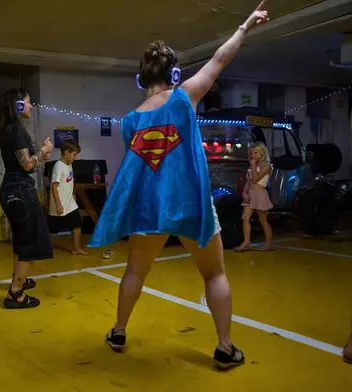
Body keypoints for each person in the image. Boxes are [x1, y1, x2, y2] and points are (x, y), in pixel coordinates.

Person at [87, 1, 269, 370]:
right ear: (174, 75)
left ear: (140, 79)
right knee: (214, 273)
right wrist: (245, 27)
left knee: (135, 271)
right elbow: (219, 60)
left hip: (149, 210)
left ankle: (119, 330)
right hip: (191, 206)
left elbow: (142, 166)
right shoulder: (185, 97)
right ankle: (224, 346)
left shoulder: (128, 122)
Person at [0, 88, 54, 309]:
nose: (31, 107)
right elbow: (27, 164)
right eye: (28, 103)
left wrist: (40, 155)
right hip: (20, 190)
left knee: (21, 240)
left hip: (12, 188)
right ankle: (16, 293)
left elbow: (27, 161)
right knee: (31, 242)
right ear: (18, 105)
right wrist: (42, 151)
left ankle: (18, 280)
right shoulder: (16, 130)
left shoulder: (7, 129)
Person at [48, 139, 87, 255]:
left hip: (69, 202)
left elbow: (69, 181)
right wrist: (58, 204)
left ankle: (75, 249)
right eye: (74, 154)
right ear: (66, 153)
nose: (75, 157)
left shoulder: (69, 165)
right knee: (51, 228)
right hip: (59, 202)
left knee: (78, 222)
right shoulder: (58, 167)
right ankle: (43, 247)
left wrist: (72, 193)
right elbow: (54, 187)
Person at [234, 142, 274, 252]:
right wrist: (244, 193)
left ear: (262, 154)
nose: (253, 155)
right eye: (251, 154)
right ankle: (246, 243)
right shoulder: (252, 168)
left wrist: (253, 166)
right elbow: (249, 181)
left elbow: (256, 179)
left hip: (260, 193)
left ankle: (269, 243)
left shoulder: (266, 166)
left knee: (263, 220)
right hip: (251, 193)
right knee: (245, 218)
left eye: (256, 153)